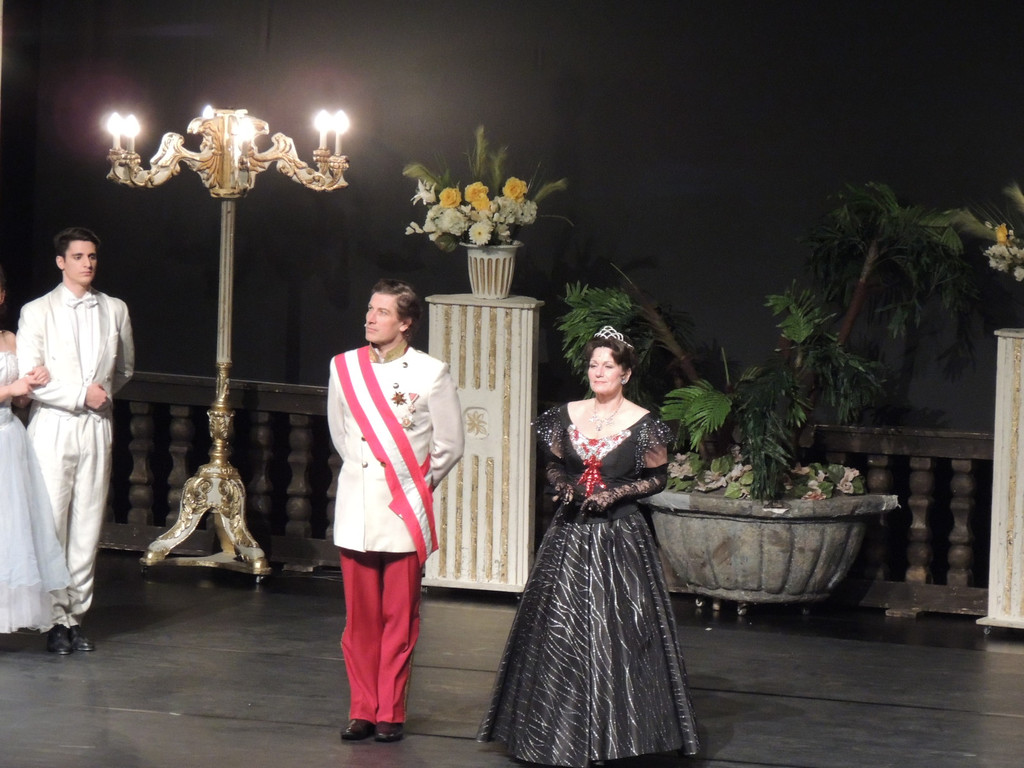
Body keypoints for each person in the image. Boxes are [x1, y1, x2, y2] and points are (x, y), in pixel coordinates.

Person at [477, 325, 700, 767]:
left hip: (619, 537)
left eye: (608, 366)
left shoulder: (644, 423)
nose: (599, 372)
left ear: (625, 373)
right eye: (594, 365)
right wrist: (563, 485)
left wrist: (617, 493)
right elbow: (554, 464)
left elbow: (657, 478)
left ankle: (618, 735)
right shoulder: (566, 415)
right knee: (559, 628)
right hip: (570, 533)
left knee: (621, 631)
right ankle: (554, 731)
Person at [328, 278, 464, 744]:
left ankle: (390, 711)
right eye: (370, 309)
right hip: (358, 510)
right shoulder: (343, 366)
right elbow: (341, 434)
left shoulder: (431, 372)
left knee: (399, 620)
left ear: (405, 323)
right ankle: (362, 710)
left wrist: (415, 486)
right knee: (359, 621)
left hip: (403, 510)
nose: (370, 318)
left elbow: (449, 444)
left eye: (382, 312)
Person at [17, 227, 134, 654]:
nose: (88, 263)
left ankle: (75, 618)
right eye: (79, 256)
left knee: (87, 525)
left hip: (96, 425)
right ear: (61, 261)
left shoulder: (114, 308)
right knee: (52, 524)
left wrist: (100, 396)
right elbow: (30, 377)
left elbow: (125, 368)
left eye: (92, 256)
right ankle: (54, 619)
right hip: (54, 425)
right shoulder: (37, 311)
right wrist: (79, 394)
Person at [0, 264, 71, 634]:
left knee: (10, 530)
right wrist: (8, 390)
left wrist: (31, 382)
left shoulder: (10, 339)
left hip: (8, 438)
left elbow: (21, 401)